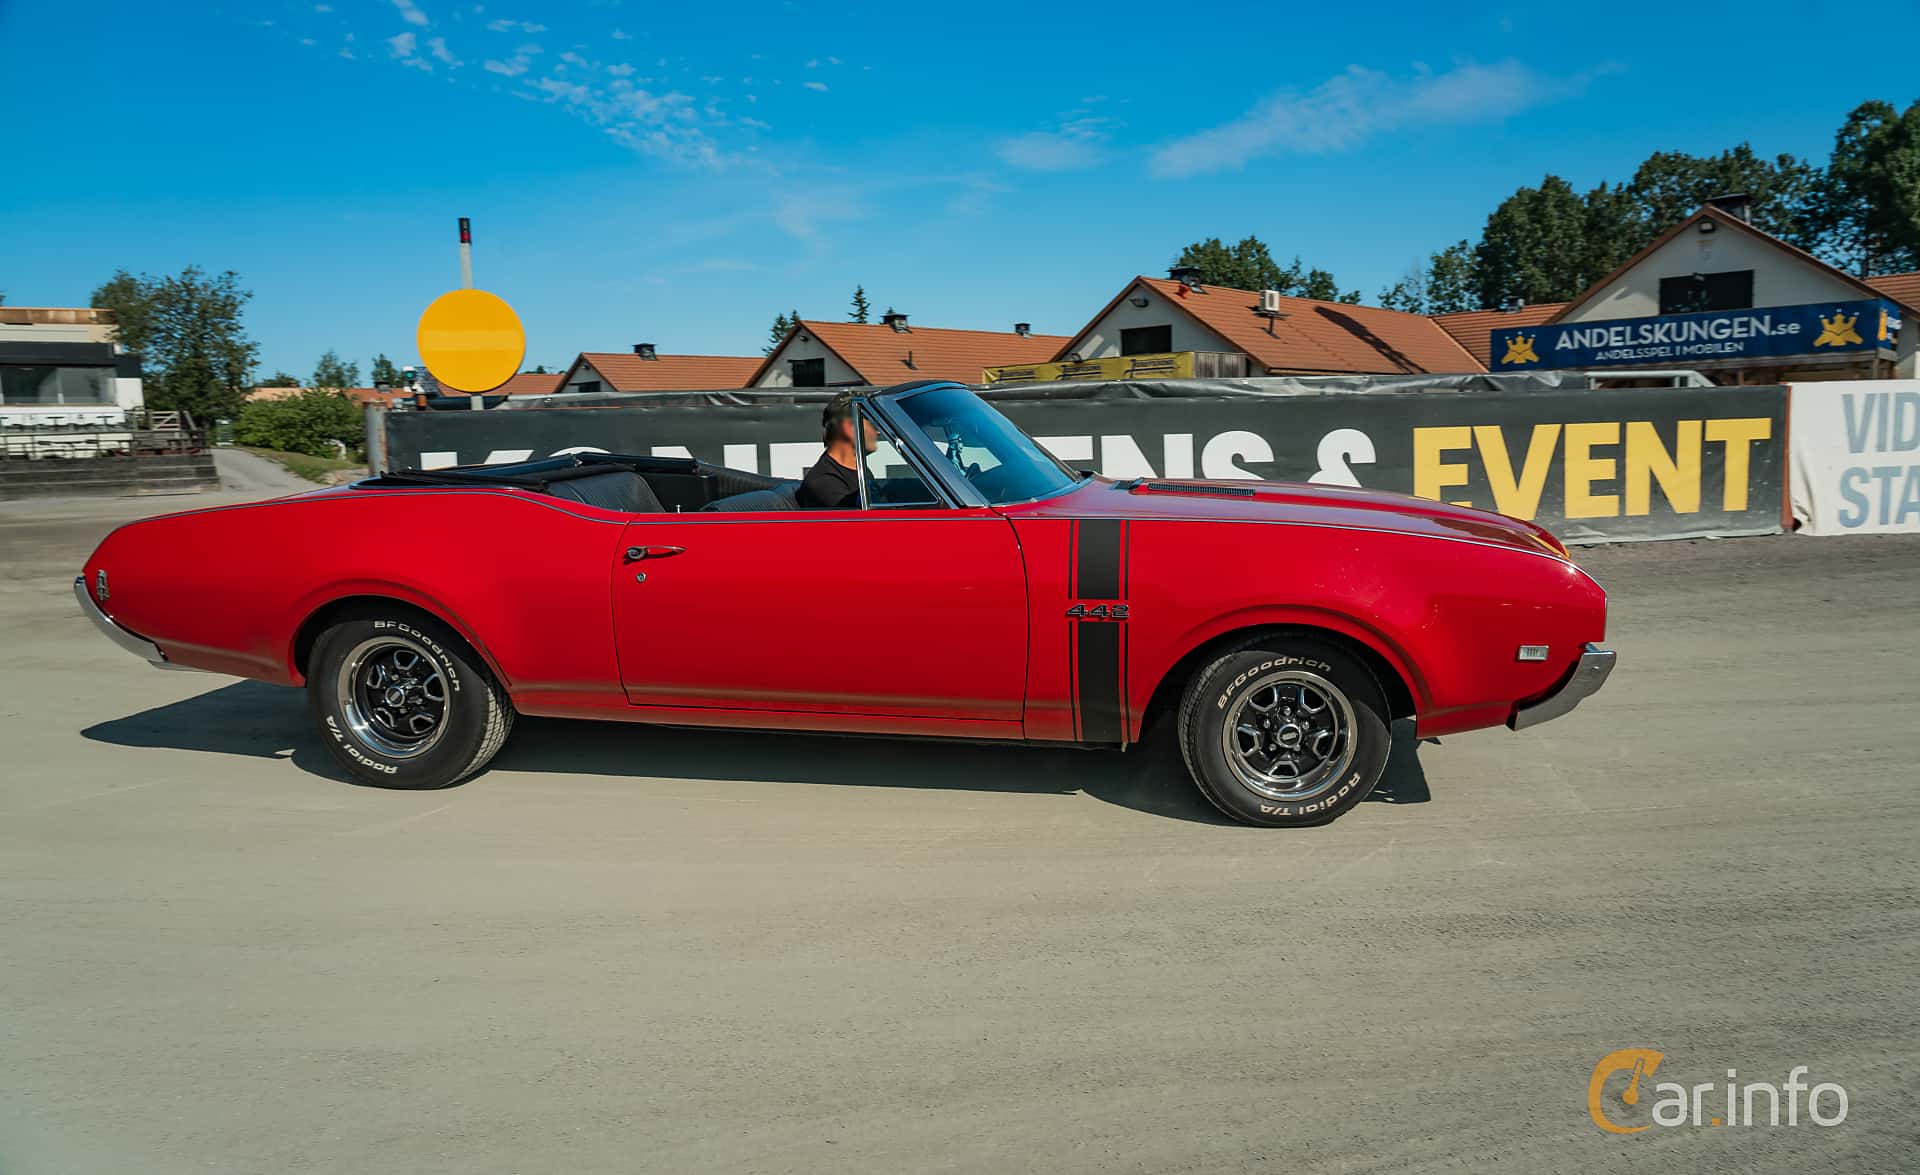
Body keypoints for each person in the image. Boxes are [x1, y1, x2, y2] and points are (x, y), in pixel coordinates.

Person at [797, 391, 874, 508]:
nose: (878, 432)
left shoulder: (859, 470)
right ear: (850, 428)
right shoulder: (824, 483)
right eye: (872, 424)